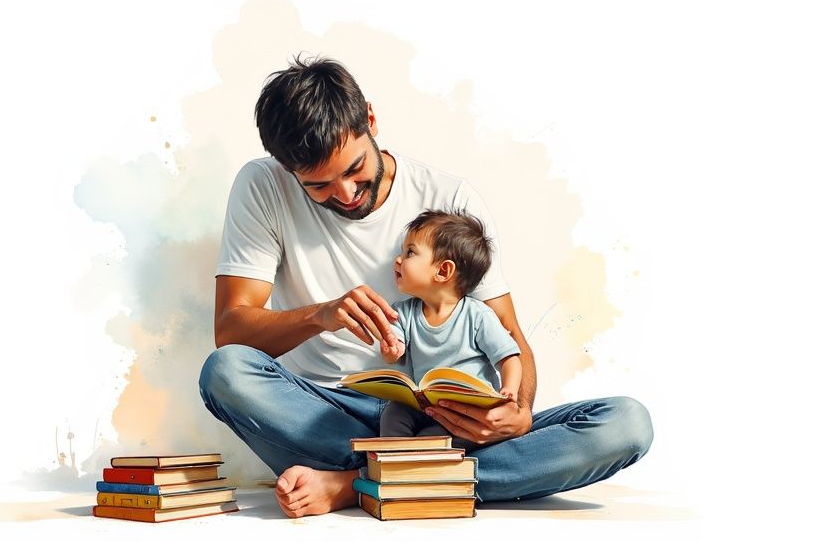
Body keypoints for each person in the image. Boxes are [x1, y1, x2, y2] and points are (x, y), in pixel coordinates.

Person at [199, 55, 653, 518]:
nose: (346, 194)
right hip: (325, 414)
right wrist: (321, 315)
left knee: (625, 424)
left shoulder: (448, 199)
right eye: (319, 186)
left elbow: (508, 334)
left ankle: (355, 485)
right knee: (226, 372)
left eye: (355, 169)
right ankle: (413, 477)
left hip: (445, 419)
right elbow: (231, 329)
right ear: (286, 168)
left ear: (370, 120)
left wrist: (517, 410)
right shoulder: (262, 186)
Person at [379, 209, 522, 452]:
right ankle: (393, 462)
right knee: (393, 414)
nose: (398, 260)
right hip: (425, 403)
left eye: (410, 252)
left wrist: (510, 391)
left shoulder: (477, 315)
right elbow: (396, 347)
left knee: (433, 437)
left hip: (467, 410)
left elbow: (509, 358)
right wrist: (393, 350)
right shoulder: (403, 312)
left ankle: (419, 459)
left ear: (443, 271)